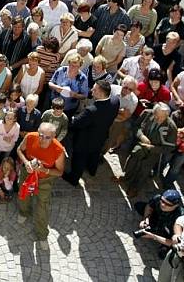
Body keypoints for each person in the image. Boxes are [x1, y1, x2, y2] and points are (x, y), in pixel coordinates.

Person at [16, 122, 65, 250]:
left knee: (42, 206)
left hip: (45, 179)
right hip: (28, 173)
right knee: (24, 194)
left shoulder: (58, 150)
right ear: (38, 131)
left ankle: (42, 235)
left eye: (47, 137)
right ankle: (24, 212)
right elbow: (19, 150)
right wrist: (26, 162)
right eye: (41, 135)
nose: (43, 139)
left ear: (54, 136)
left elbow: (60, 172)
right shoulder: (31, 137)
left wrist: (45, 170)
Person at [62, 81, 119, 186]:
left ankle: (73, 179)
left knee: (79, 159)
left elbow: (76, 123)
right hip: (101, 137)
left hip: (85, 140)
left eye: (94, 90)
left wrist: (73, 118)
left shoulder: (91, 110)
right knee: (95, 154)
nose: (91, 91)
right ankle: (92, 170)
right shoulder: (115, 101)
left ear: (101, 94)